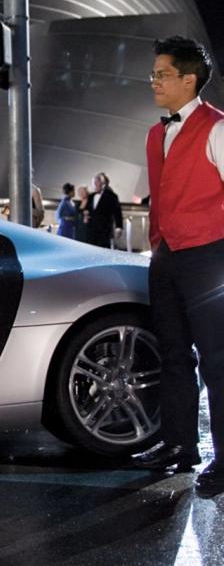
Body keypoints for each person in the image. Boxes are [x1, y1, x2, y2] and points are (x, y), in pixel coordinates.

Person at [132, 36, 224, 498]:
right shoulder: (155, 132)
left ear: (189, 80)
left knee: (218, 359)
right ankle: (178, 446)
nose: (154, 81)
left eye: (162, 74)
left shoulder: (217, 128)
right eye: (153, 73)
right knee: (172, 354)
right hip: (165, 255)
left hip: (209, 257)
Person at [86, 172, 122, 248]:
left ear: (103, 183)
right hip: (91, 231)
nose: (94, 184)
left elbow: (117, 212)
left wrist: (118, 227)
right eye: (93, 182)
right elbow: (88, 210)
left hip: (104, 231)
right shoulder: (91, 196)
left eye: (96, 182)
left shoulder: (111, 196)